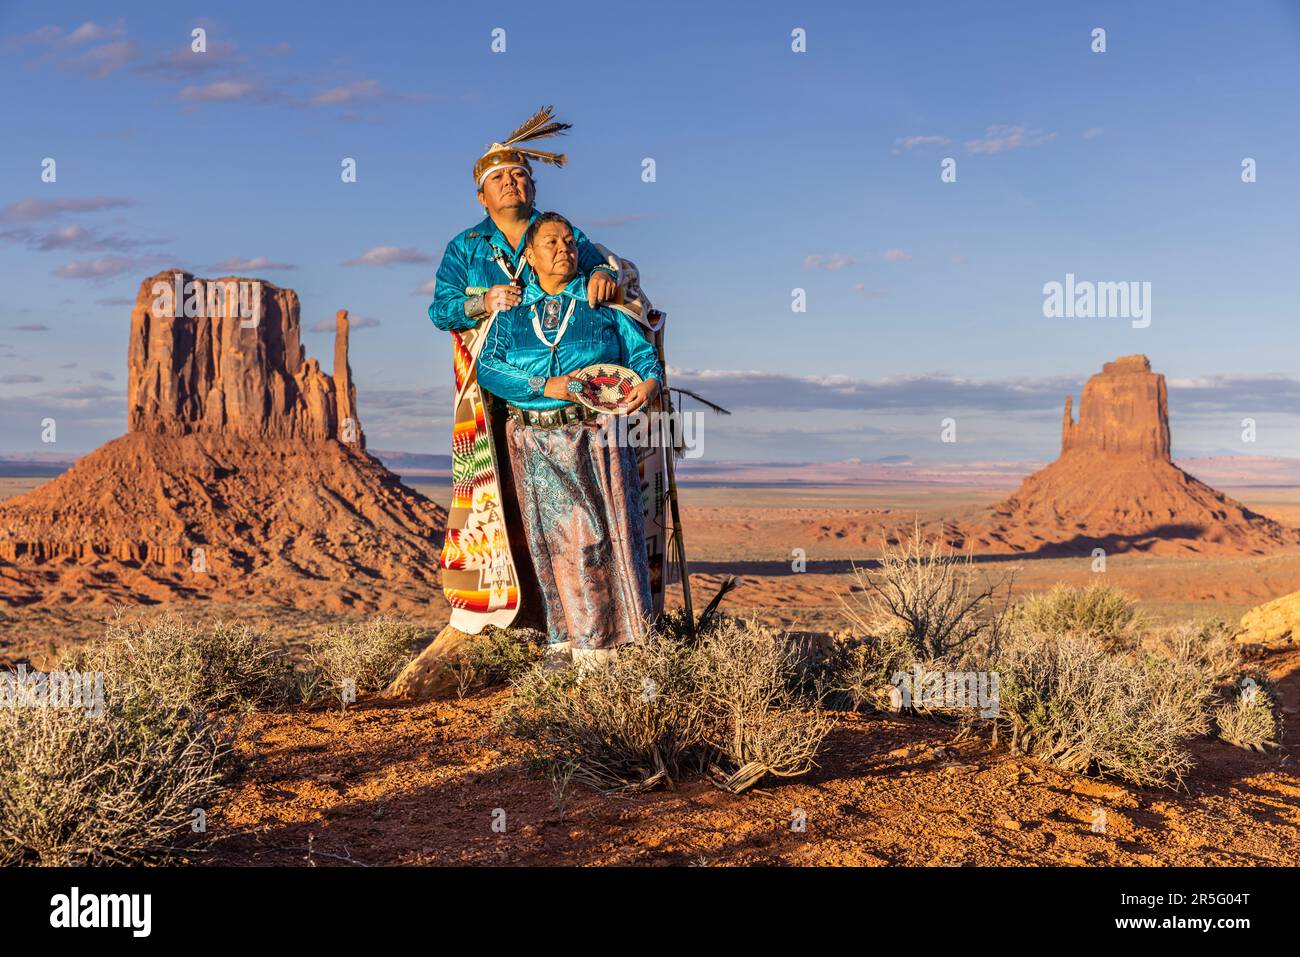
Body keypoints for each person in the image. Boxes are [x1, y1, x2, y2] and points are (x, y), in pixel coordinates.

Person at [428, 107, 619, 634]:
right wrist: (482, 300)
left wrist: (602, 275)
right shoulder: (465, 248)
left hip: (561, 394)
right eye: (500, 179)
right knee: (500, 491)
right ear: (481, 195)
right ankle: (510, 614)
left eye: (520, 176)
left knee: (573, 508)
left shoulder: (558, 231)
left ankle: (583, 618)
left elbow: (601, 262)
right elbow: (439, 308)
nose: (512, 184)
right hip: (486, 386)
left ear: (532, 188)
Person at [475, 212, 662, 668]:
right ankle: (563, 643)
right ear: (531, 256)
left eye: (569, 242)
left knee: (593, 539)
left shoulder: (606, 308)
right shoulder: (512, 318)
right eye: (552, 243)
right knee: (545, 542)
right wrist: (545, 386)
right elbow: (489, 370)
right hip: (532, 441)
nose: (564, 249)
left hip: (594, 438)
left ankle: (604, 651)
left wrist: (648, 384)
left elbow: (643, 358)